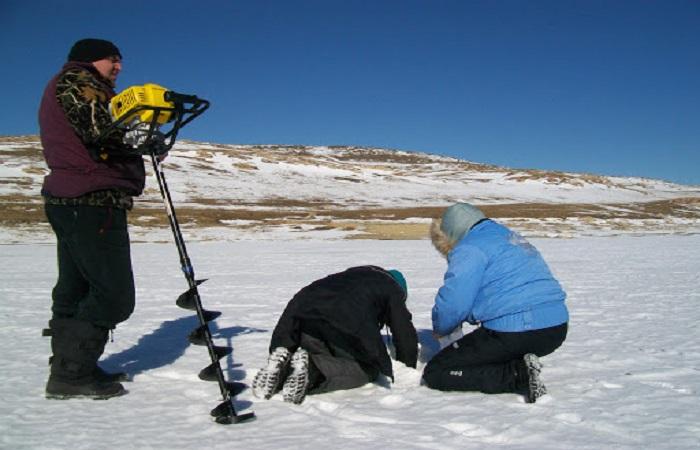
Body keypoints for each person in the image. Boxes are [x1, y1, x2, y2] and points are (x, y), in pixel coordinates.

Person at [39, 38, 146, 399]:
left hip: (73, 199)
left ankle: (70, 368)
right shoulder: (78, 82)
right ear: (89, 60)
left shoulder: (78, 85)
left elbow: (96, 133)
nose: (118, 67)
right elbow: (98, 132)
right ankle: (72, 372)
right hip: (90, 200)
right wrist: (140, 138)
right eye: (111, 60)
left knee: (76, 287)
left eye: (120, 60)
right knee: (113, 294)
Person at [423, 203, 568, 403]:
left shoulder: (470, 247)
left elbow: (455, 302)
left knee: (437, 371)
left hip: (518, 329)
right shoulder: (509, 236)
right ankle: (520, 363)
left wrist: (441, 327)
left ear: (450, 234)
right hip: (555, 329)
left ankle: (516, 375)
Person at [252, 266, 418, 404]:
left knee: (321, 355)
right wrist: (407, 367)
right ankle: (312, 370)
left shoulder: (348, 276)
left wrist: (281, 348)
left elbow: (293, 310)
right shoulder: (392, 287)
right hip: (345, 323)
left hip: (306, 322)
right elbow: (404, 331)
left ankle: (282, 371)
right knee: (366, 370)